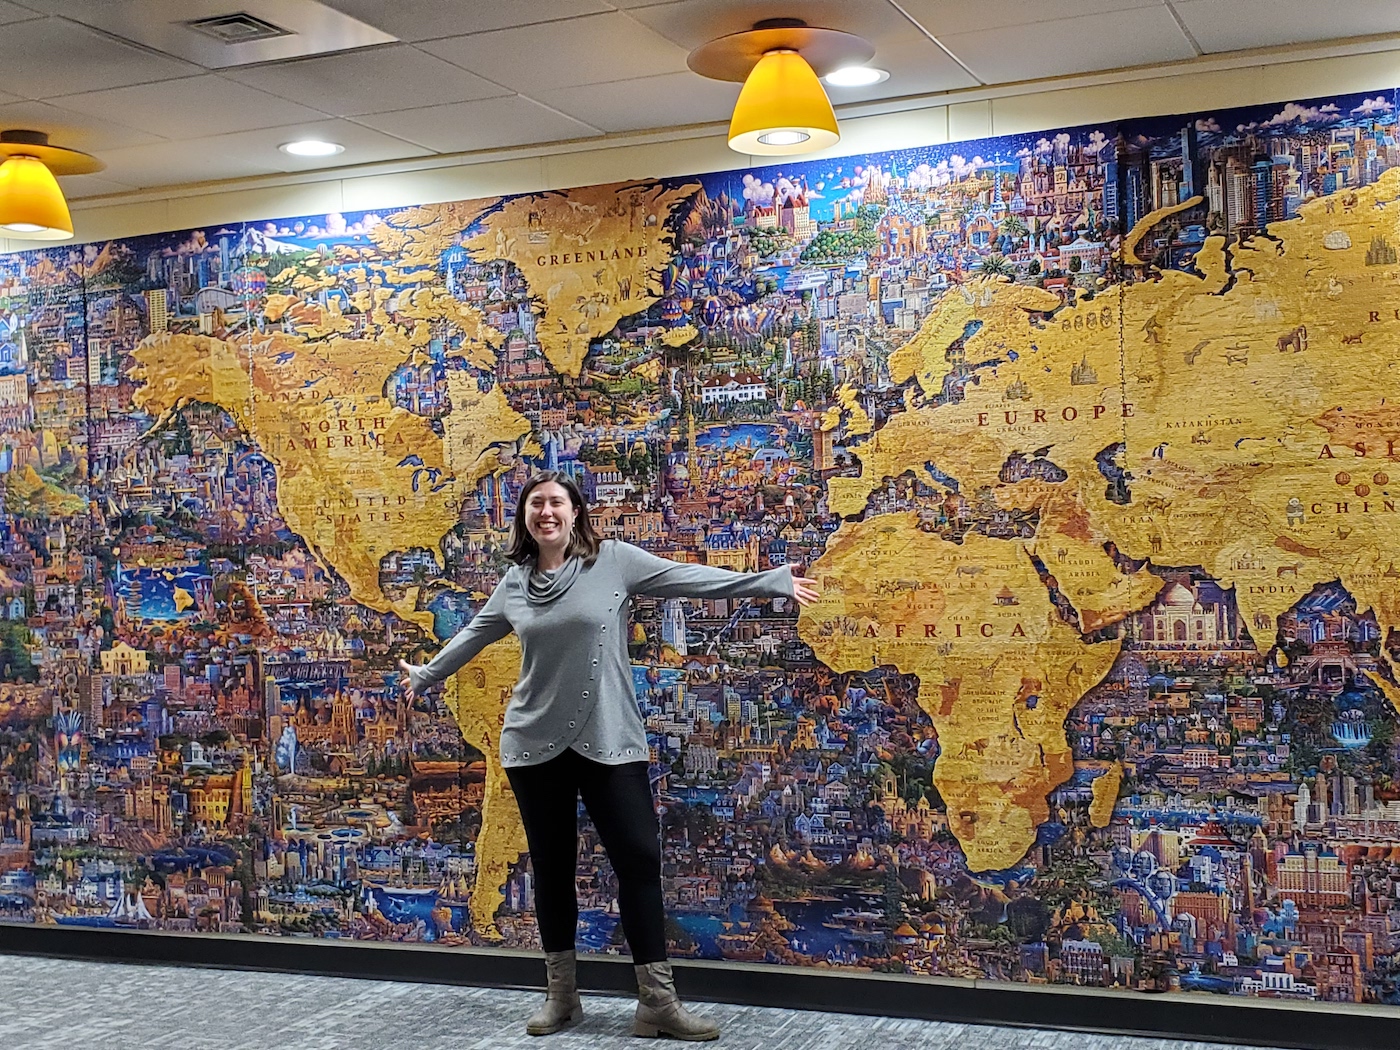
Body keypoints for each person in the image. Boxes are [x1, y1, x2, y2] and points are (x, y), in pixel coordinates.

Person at [400, 471, 819, 1040]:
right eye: (535, 505)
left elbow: (687, 580)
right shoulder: (515, 584)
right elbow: (473, 635)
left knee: (639, 862)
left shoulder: (614, 561)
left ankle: (657, 1005)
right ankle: (562, 997)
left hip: (610, 737)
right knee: (551, 870)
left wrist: (768, 582)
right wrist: (426, 675)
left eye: (556, 503)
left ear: (575, 512)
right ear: (523, 518)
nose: (546, 513)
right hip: (531, 745)